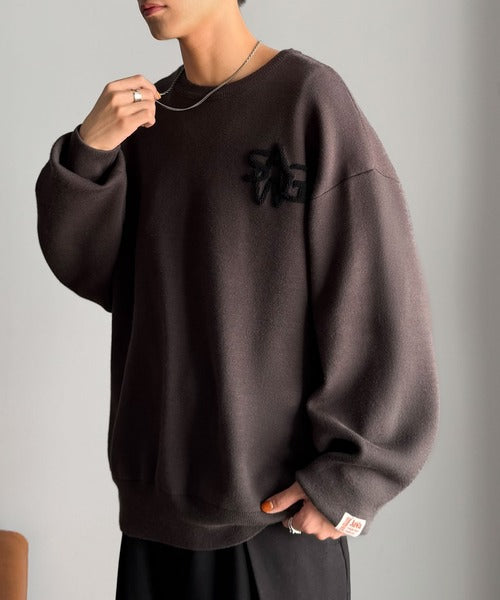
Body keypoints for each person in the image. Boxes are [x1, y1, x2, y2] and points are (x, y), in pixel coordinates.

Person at [34, 0, 440, 598]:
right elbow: (99, 272)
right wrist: (90, 154)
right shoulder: (145, 121)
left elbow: (378, 297)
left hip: (273, 527)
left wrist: (350, 485)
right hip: (154, 526)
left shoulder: (307, 99)